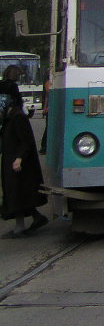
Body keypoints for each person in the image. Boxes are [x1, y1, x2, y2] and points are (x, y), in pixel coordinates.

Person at [1, 66, 48, 238]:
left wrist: (19, 158)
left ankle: (23, 226)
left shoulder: (18, 118)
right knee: (16, 195)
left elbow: (26, 141)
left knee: (19, 194)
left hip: (20, 165)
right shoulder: (8, 118)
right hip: (12, 162)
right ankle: (28, 222)